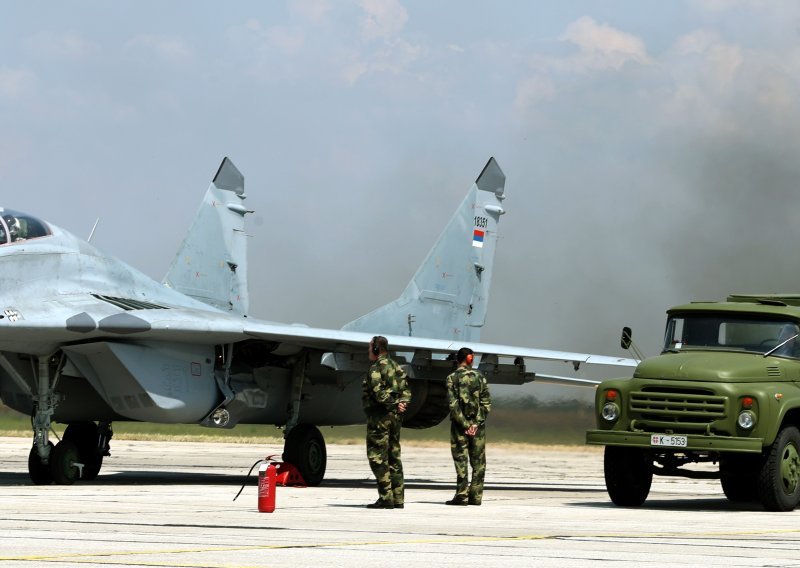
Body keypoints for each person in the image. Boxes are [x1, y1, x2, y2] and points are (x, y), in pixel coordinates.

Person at [362, 335, 411, 509]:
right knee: (394, 456)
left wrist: (394, 404)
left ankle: (386, 497)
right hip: (396, 418)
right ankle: (398, 498)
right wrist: (401, 404)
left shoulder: (376, 368)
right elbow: (406, 390)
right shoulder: (396, 367)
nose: (368, 351)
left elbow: (378, 393)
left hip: (380, 418)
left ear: (375, 349)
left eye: (369, 348)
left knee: (377, 457)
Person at [445, 347, 491, 506]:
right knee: (479, 462)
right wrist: (475, 424)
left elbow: (453, 405)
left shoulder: (452, 378)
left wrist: (465, 425)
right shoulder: (480, 377)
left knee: (461, 460)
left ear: (458, 359)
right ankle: (476, 496)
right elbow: (486, 404)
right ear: (471, 359)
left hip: (459, 427)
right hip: (478, 428)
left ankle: (462, 495)